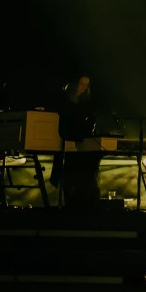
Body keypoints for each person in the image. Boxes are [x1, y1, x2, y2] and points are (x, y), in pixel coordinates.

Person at [49, 75, 102, 209]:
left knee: (86, 177)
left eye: (86, 85)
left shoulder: (86, 103)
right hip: (68, 145)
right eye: (81, 84)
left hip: (81, 145)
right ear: (74, 84)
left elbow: (90, 123)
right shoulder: (64, 101)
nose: (84, 88)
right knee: (70, 179)